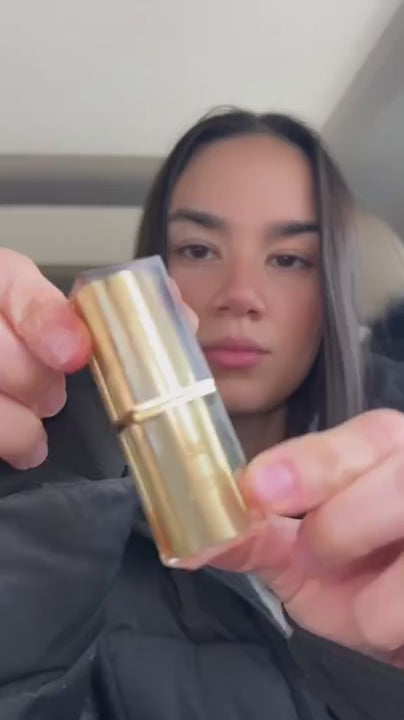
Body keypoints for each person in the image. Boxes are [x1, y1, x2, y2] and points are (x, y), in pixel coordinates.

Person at [0, 109, 403, 720]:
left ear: (334, 288)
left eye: (290, 259)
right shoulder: (65, 518)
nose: (239, 294)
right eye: (198, 249)